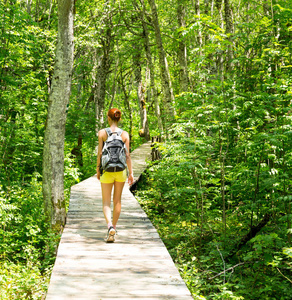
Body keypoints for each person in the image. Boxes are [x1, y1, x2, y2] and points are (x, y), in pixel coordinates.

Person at [96, 108, 134, 242]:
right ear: (119, 119)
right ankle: (114, 228)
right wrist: (130, 173)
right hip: (121, 171)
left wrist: (98, 169)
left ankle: (109, 226)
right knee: (117, 200)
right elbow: (127, 155)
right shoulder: (124, 134)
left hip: (107, 171)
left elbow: (100, 154)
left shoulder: (102, 133)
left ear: (108, 118)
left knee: (106, 202)